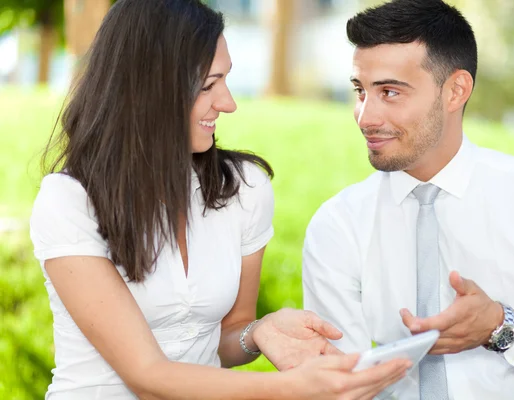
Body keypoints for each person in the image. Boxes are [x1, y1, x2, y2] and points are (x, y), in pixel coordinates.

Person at [29, 0, 411, 399]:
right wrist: (290, 389)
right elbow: (146, 373)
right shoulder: (70, 201)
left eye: (226, 80)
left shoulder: (245, 189)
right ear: (150, 89)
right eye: (208, 85)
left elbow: (226, 338)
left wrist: (257, 333)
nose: (227, 103)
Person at [302, 0, 514, 399]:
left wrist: (502, 328)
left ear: (456, 90)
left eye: (390, 92)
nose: (366, 117)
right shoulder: (338, 225)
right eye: (361, 91)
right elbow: (339, 385)